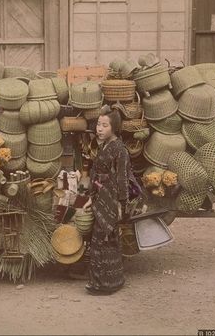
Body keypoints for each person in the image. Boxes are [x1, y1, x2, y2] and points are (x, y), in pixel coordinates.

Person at [85, 104, 133, 295]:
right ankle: (101, 282)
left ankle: (109, 284)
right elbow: (96, 174)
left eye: (104, 125)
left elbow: (122, 178)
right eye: (98, 124)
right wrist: (91, 197)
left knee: (106, 240)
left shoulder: (120, 149)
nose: (99, 129)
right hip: (101, 198)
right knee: (98, 241)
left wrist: (122, 204)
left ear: (114, 128)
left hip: (111, 200)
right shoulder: (104, 146)